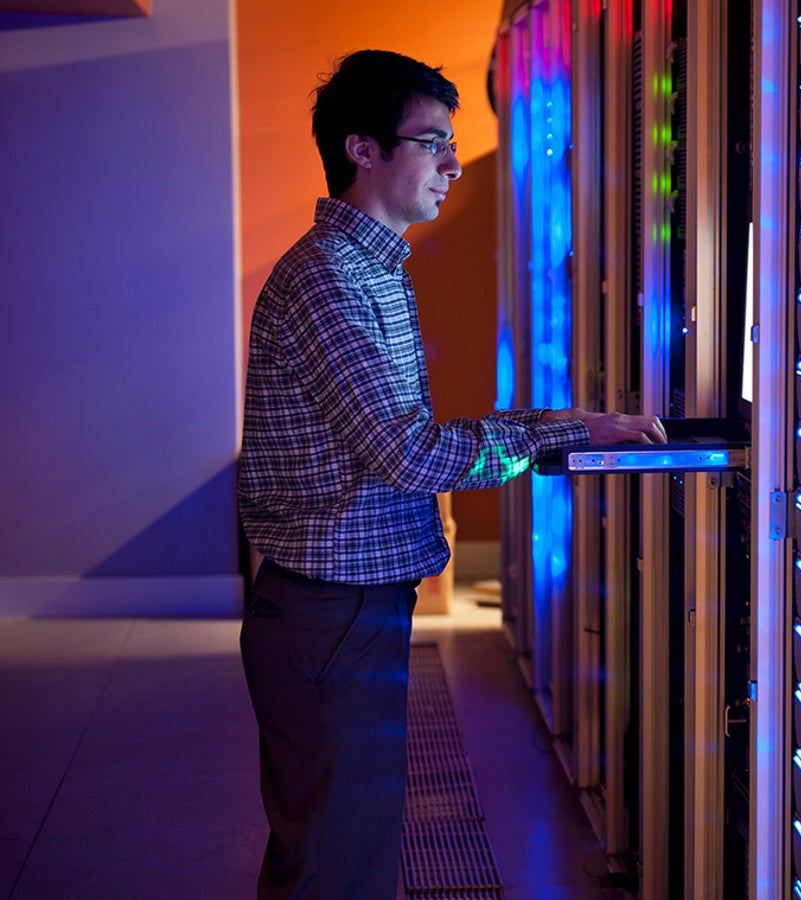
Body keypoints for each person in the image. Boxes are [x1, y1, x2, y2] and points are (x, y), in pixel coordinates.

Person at [237, 49, 665, 899]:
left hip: (349, 600)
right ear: (363, 150)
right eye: (432, 142)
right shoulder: (331, 282)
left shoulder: (373, 271)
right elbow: (407, 453)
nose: (453, 163)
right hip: (331, 610)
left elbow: (408, 440)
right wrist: (560, 433)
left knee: (344, 846)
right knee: (332, 860)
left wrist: (561, 427)